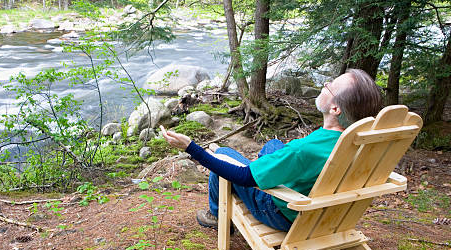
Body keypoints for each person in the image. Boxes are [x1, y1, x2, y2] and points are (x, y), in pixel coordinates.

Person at [160, 69, 383, 231]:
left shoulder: (303, 150)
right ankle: (267, 168)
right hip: (330, 211)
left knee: (223, 155)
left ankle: (217, 216)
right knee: (273, 146)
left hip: (284, 213)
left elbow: (243, 176)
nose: (325, 84)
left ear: (335, 108)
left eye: (330, 85)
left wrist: (192, 147)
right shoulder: (363, 141)